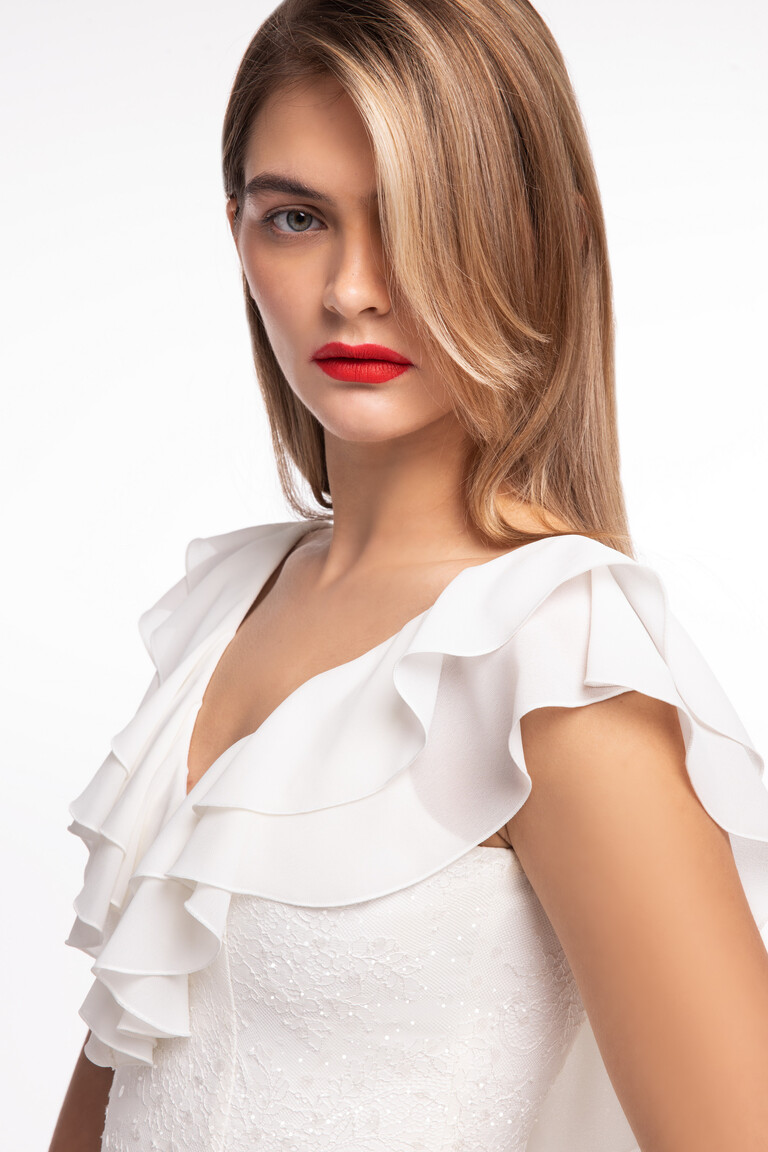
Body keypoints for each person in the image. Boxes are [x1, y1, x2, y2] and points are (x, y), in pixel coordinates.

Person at [50, 1, 768, 1149]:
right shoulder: (228, 608)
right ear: (238, 233)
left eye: (421, 216)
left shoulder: (556, 665)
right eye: (297, 218)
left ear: (535, 235)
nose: (352, 289)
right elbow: (121, 1085)